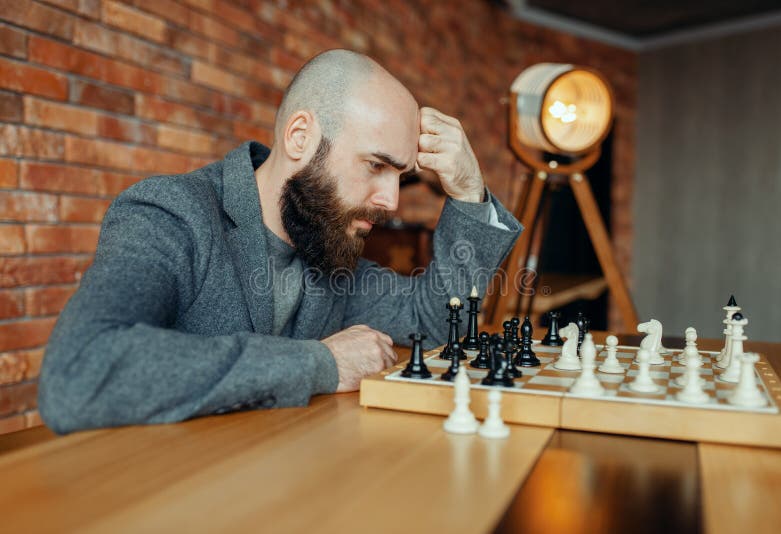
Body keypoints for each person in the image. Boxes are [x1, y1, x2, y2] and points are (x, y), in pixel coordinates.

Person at [38, 50, 522, 434]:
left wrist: (469, 194)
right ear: (299, 137)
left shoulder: (329, 242)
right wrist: (321, 364)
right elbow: (81, 369)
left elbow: (436, 324)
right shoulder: (170, 213)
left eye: (399, 174)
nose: (391, 200)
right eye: (375, 166)